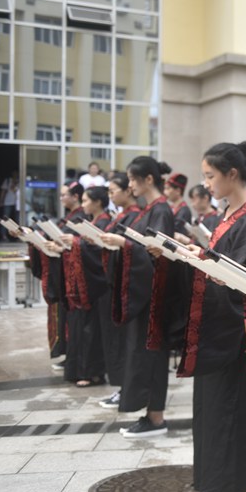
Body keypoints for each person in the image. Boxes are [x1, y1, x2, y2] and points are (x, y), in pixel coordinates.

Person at [174, 141, 246, 492]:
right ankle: (219, 487)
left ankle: (238, 491)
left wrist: (207, 264)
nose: (206, 183)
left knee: (232, 412)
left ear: (232, 174)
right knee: (214, 412)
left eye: (211, 176)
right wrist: (197, 254)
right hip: (218, 331)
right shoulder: (231, 214)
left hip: (236, 335)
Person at [99, 158, 175, 438]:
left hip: (155, 297)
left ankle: (156, 418)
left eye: (132, 179)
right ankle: (149, 414)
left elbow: (159, 255)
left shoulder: (161, 210)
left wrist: (124, 245)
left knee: (153, 355)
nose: (129, 184)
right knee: (143, 354)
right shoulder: (149, 210)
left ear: (148, 180)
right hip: (146, 295)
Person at [53, 186, 112, 388]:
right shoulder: (93, 221)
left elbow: (98, 252)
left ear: (97, 202)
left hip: (95, 285)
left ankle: (92, 372)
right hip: (84, 282)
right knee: (81, 328)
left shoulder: (104, 221)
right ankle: (78, 369)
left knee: (91, 330)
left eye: (86, 200)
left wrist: (76, 243)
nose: (83, 204)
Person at [96, 174, 141, 409]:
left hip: (127, 286)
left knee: (125, 343)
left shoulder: (135, 215)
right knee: (118, 341)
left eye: (114, 190)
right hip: (115, 283)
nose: (111, 195)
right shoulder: (123, 215)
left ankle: (127, 388)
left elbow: (137, 250)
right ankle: (122, 387)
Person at [0, 170, 19, 241]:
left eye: (16, 173)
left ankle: (19, 236)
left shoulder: (20, 181)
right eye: (14, 173)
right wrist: (1, 201)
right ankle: (3, 235)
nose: (15, 174)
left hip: (18, 204)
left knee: (18, 220)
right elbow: (3, 191)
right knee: (5, 220)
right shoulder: (8, 181)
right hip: (8, 202)